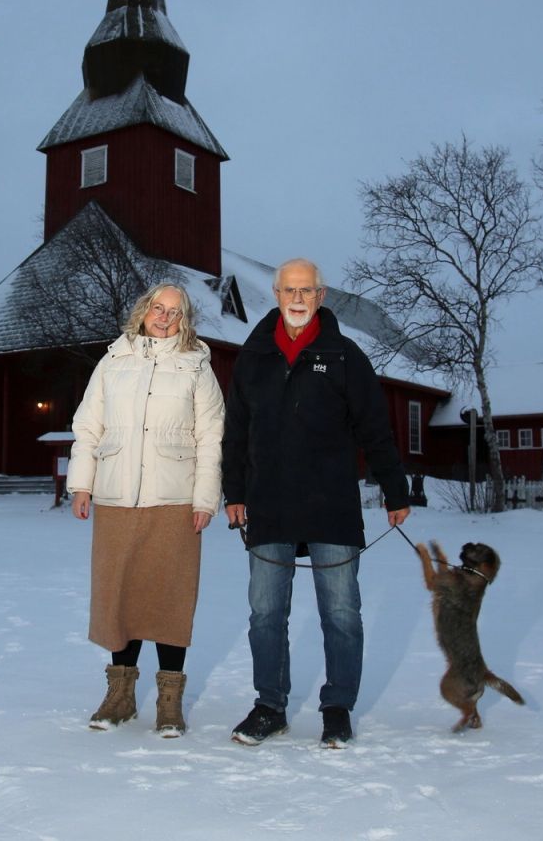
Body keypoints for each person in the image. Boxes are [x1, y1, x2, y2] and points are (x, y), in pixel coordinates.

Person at [221, 258, 411, 748]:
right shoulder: (254, 356)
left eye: (307, 290)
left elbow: (375, 427)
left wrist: (395, 489)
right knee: (265, 613)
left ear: (321, 296)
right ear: (277, 295)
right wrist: (234, 491)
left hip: (332, 505)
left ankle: (337, 707)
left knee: (341, 613)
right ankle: (270, 705)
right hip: (269, 504)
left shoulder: (345, 355)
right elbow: (236, 430)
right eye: (290, 290)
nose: (298, 299)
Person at [67, 281, 225, 737]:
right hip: (116, 496)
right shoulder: (113, 360)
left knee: (170, 598)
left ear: (184, 320)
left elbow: (210, 436)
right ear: (144, 310)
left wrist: (205, 498)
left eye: (175, 312)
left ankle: (169, 701)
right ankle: (119, 695)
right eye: (158, 308)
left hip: (174, 500)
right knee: (118, 596)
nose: (164, 317)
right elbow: (88, 426)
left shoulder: (196, 366)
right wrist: (82, 484)